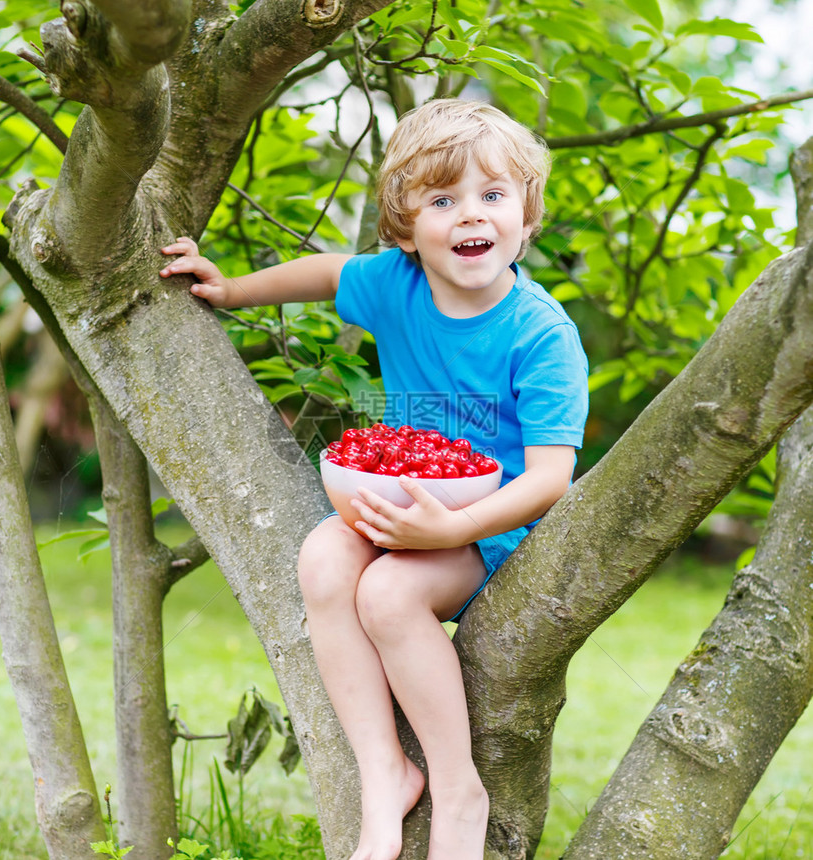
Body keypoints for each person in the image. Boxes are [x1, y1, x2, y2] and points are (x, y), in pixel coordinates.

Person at [159, 99, 588, 860]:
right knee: (322, 560)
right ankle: (384, 771)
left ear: (525, 217)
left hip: (496, 526)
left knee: (389, 596)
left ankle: (458, 787)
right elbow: (327, 274)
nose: (469, 217)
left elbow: (552, 476)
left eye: (492, 196)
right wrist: (231, 291)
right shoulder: (399, 284)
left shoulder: (542, 334)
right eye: (442, 200)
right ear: (404, 228)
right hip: (409, 498)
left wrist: (454, 528)